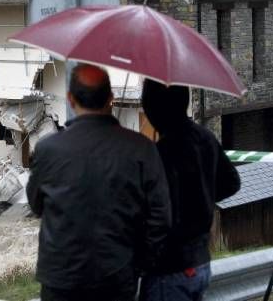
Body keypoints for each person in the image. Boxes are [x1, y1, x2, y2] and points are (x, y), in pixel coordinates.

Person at [27, 64, 172, 301]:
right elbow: (160, 218)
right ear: (110, 99)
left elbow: (36, 205)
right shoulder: (141, 148)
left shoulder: (48, 150)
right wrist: (139, 264)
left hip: (60, 279)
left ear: (71, 99)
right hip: (117, 277)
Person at [140, 79, 241, 301]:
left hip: (170, 268)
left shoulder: (162, 152)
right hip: (200, 261)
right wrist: (202, 197)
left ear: (154, 107)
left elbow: (157, 216)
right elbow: (232, 182)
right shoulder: (205, 137)